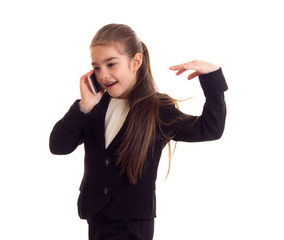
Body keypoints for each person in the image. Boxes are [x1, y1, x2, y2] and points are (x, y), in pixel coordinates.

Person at [49, 23, 228, 240]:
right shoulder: (93, 107)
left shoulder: (157, 108)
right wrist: (83, 107)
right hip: (96, 217)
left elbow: (210, 129)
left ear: (136, 62)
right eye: (96, 67)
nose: (103, 75)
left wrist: (213, 81)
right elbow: (58, 146)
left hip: (133, 226)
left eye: (111, 64)